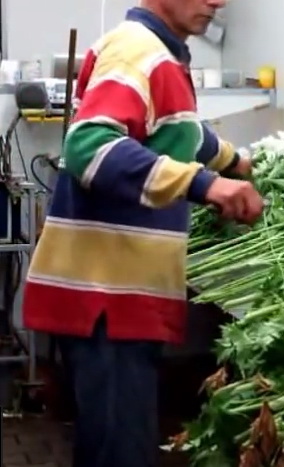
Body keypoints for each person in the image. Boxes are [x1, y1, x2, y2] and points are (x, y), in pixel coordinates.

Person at [22, 1, 263, 466]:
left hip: (120, 294)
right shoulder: (138, 52)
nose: (218, 1)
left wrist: (238, 163)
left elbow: (183, 133)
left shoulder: (163, 55)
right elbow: (90, 149)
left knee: (111, 442)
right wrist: (205, 184)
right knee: (121, 451)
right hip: (109, 299)